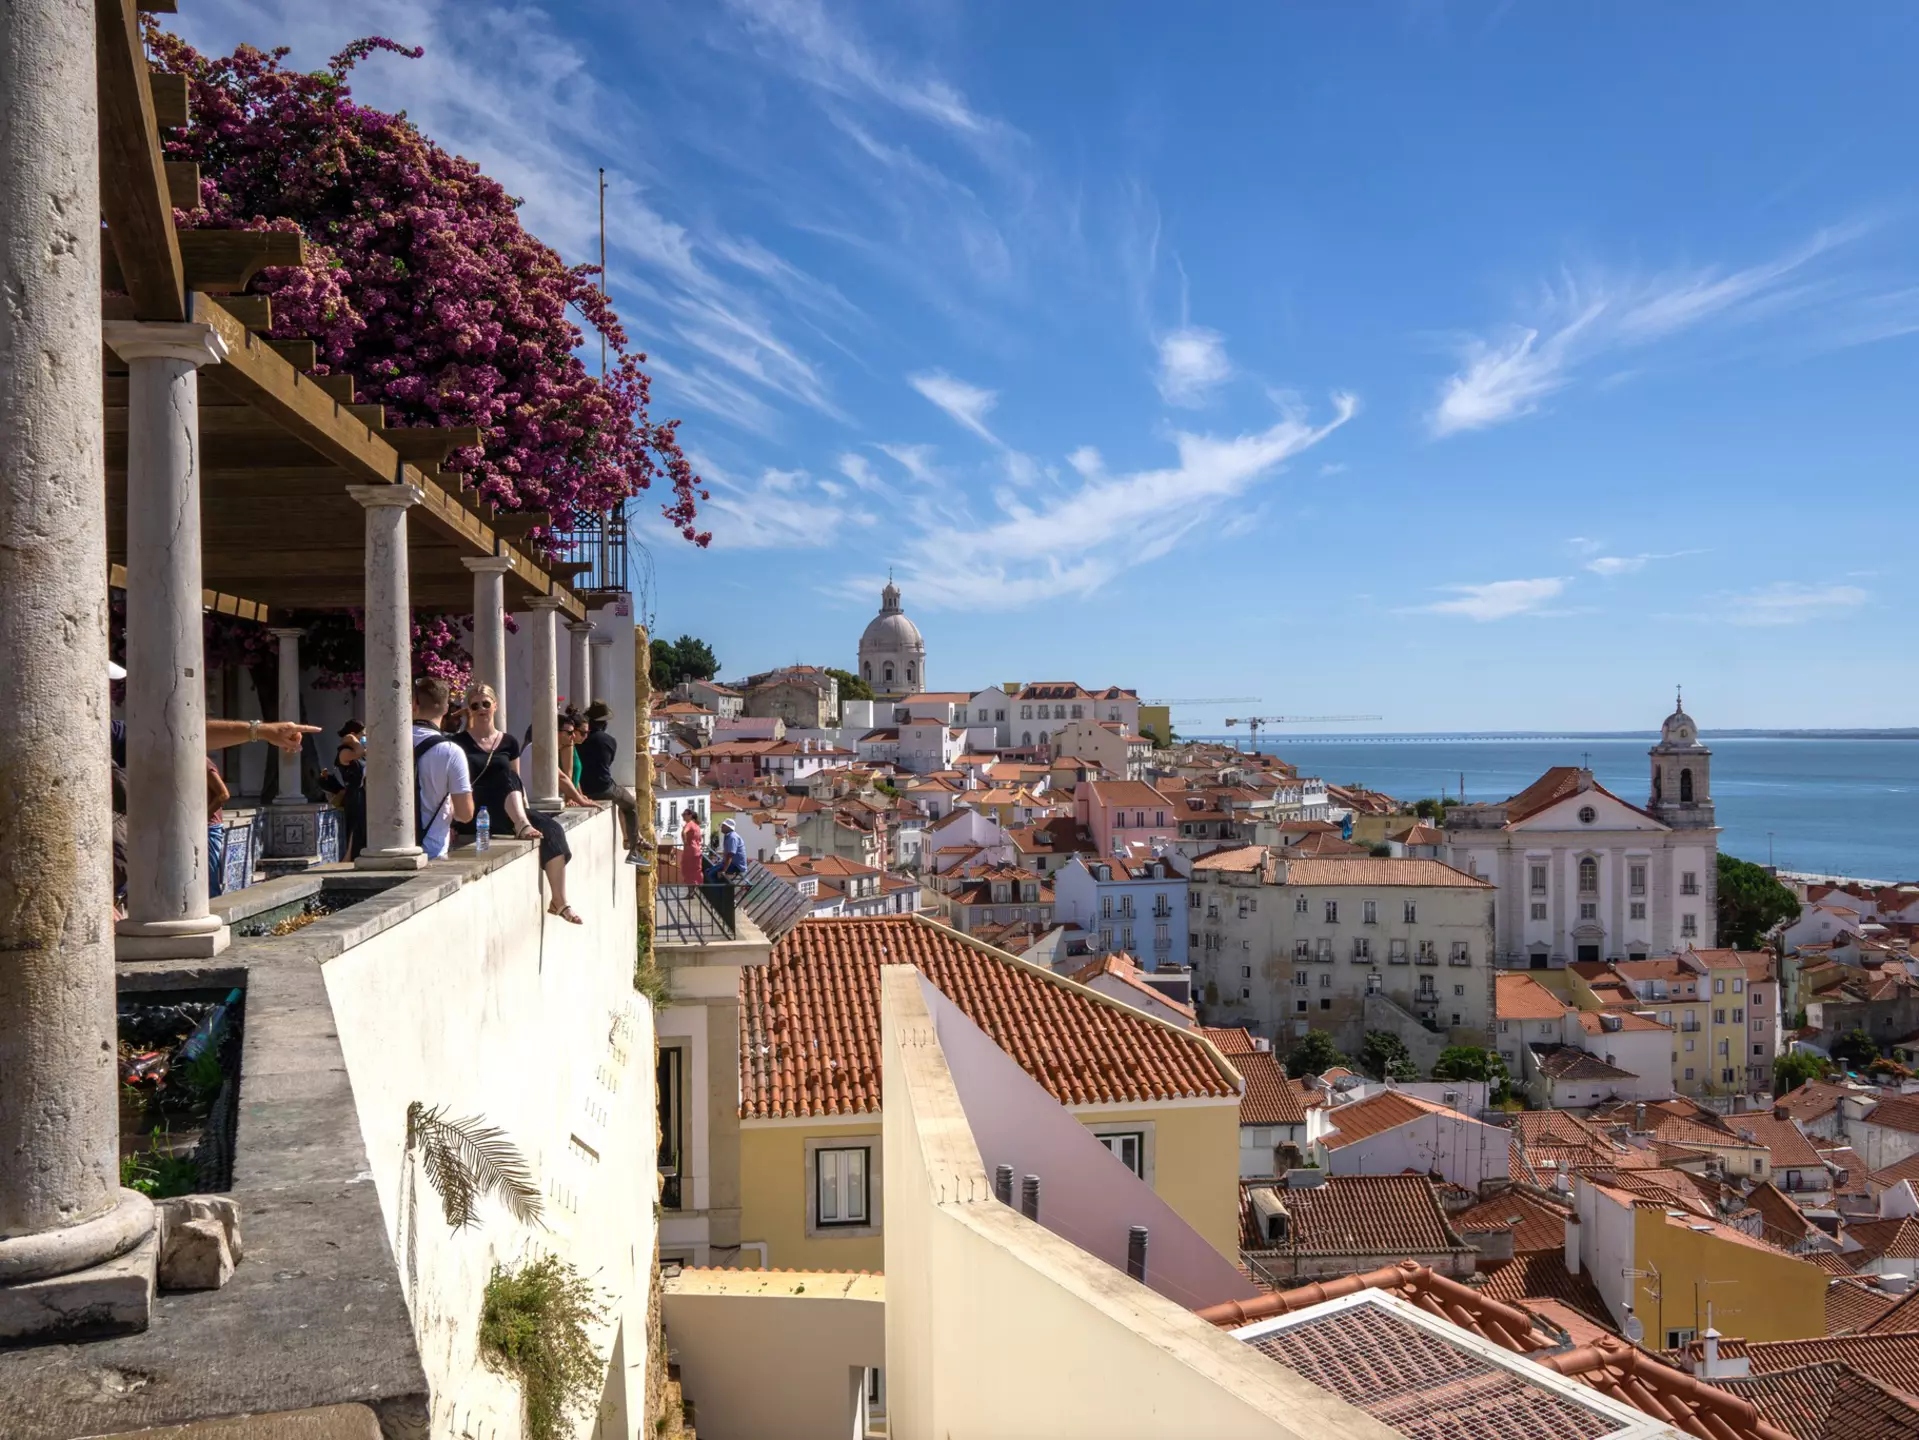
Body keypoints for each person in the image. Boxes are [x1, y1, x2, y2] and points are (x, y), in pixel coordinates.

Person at [451, 683, 583, 925]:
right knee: (505, 778)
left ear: (495, 706)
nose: (481, 709)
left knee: (553, 830)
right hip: (477, 809)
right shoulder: (459, 743)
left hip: (508, 808)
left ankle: (560, 901)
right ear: (469, 709)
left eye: (486, 704)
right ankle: (522, 825)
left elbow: (516, 781)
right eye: (475, 705)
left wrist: (524, 811)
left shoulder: (509, 742)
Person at [410, 676, 475, 860]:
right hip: (432, 852)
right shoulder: (451, 752)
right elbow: (465, 814)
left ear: (414, 704)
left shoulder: (388, 745)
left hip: (386, 853)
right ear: (446, 708)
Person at [577, 700, 645, 866]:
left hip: (581, 788)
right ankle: (633, 849)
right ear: (604, 723)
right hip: (603, 787)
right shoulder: (609, 741)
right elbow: (608, 763)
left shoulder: (579, 739)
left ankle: (633, 840)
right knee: (630, 804)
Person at [678, 806, 704, 885]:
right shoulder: (697, 826)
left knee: (687, 870)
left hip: (690, 850)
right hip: (697, 850)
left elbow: (684, 832)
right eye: (682, 814)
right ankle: (693, 891)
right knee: (695, 870)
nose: (683, 816)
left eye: (684, 814)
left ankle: (691, 892)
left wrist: (685, 842)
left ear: (690, 815)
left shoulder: (689, 824)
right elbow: (699, 839)